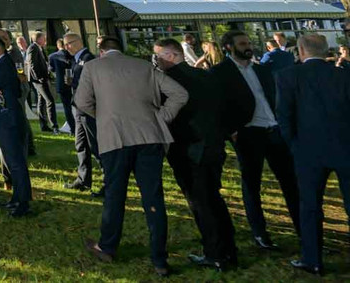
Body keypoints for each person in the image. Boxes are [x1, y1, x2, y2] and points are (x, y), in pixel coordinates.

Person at [76, 36, 187, 275]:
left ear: (102, 51)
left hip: (115, 138)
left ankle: (107, 246)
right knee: (153, 197)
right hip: (149, 136)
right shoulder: (145, 66)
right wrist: (162, 117)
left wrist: (104, 115)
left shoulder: (93, 67)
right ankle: (159, 259)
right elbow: (179, 94)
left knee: (115, 194)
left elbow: (81, 101)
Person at [153, 37, 252, 271]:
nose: (156, 61)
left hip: (189, 149)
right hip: (214, 146)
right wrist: (227, 131)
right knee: (214, 198)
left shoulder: (169, 81)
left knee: (201, 203)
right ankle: (229, 250)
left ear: (171, 56)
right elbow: (230, 106)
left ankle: (215, 253)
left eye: (158, 56)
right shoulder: (207, 76)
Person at [219, 28, 301, 251]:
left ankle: (303, 229)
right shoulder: (221, 72)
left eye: (248, 43)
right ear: (229, 47)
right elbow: (218, 106)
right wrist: (232, 131)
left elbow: (274, 96)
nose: (248, 46)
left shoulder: (262, 70)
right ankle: (260, 233)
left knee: (291, 182)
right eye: (243, 43)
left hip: (274, 130)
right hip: (248, 133)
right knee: (252, 184)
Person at [275, 31, 350, 275]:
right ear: (326, 50)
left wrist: (294, 146)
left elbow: (284, 116)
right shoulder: (343, 75)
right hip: (345, 146)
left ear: (301, 51)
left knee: (309, 206)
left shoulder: (288, 76)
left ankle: (313, 258)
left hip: (308, 151)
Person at [0, 34, 31, 218]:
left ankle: (23, 202)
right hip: (3, 118)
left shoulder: (3, 66)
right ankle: (17, 197)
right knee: (12, 161)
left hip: (8, 120)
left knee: (16, 162)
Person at [62, 34, 99, 192]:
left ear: (78, 42)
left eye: (68, 44)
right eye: (65, 45)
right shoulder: (76, 59)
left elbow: (92, 83)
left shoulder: (87, 58)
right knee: (81, 145)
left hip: (87, 109)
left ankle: (108, 181)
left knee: (95, 146)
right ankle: (83, 180)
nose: (66, 47)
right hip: (78, 108)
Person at [23, 32, 57, 133]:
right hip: (39, 80)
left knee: (41, 102)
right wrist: (39, 78)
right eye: (43, 38)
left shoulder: (39, 48)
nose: (45, 40)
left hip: (42, 78)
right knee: (50, 100)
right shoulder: (33, 48)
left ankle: (44, 126)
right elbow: (32, 64)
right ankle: (54, 125)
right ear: (38, 39)